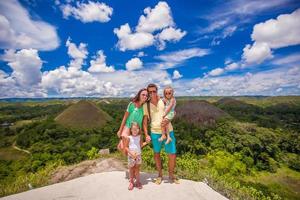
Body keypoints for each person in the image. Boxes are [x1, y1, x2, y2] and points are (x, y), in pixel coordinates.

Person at [142, 83, 179, 184]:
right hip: (154, 132)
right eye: (150, 92)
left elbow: (172, 111)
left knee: (172, 154)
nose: (152, 93)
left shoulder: (163, 100)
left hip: (168, 131)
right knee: (156, 154)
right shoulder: (146, 105)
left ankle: (171, 175)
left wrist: (172, 116)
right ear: (148, 92)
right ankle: (160, 175)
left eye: (154, 91)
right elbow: (144, 121)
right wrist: (146, 134)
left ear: (157, 91)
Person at [117, 88, 150, 155]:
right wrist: (120, 130)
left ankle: (131, 160)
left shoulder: (145, 107)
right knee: (123, 147)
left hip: (137, 129)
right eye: (143, 94)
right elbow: (125, 118)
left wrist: (146, 135)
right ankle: (123, 143)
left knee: (136, 147)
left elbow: (144, 123)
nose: (145, 97)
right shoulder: (132, 104)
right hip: (128, 126)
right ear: (139, 95)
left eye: (146, 95)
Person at [124, 122, 147, 190]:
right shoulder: (129, 137)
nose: (135, 130)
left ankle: (138, 181)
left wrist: (146, 142)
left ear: (139, 129)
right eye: (133, 129)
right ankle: (131, 182)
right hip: (131, 156)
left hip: (138, 155)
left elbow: (140, 145)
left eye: (137, 129)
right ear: (131, 129)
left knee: (137, 169)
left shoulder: (140, 136)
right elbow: (126, 147)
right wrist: (131, 154)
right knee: (131, 169)